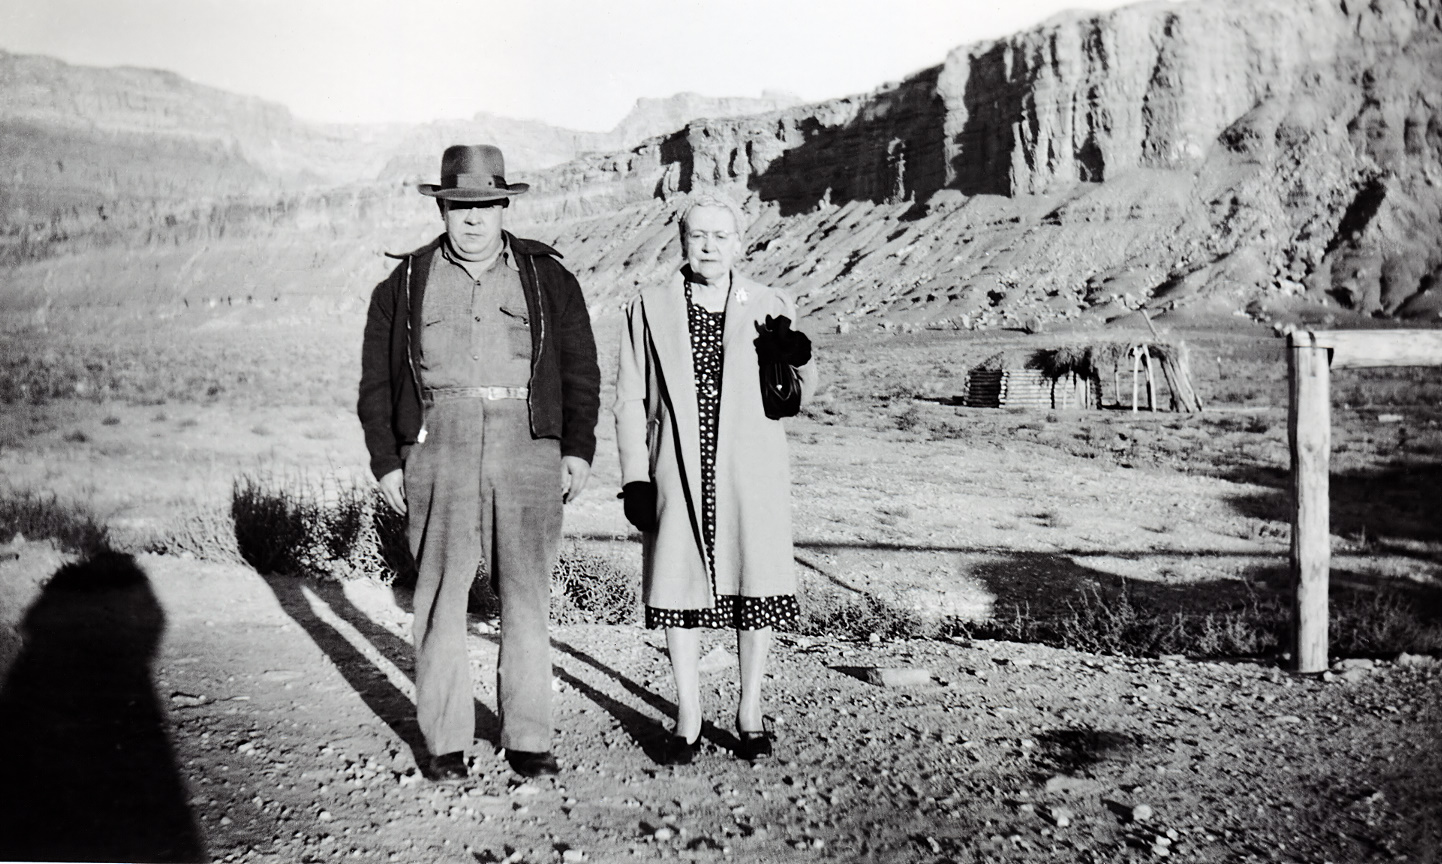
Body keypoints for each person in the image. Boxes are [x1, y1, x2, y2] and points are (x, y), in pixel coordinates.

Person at [358, 144, 600, 781]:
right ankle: (445, 741)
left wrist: (576, 449)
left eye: (485, 205)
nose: (472, 218)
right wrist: (387, 460)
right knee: (439, 596)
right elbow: (375, 385)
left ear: (504, 205)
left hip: (529, 442)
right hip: (440, 442)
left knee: (527, 594)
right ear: (441, 207)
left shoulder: (549, 279)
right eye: (459, 205)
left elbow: (582, 374)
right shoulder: (403, 284)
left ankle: (527, 737)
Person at [613, 191, 817, 764]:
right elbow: (629, 397)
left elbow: (798, 397)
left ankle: (749, 711)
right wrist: (635, 478)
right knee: (679, 589)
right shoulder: (648, 307)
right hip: (677, 466)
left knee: (755, 585)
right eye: (697, 235)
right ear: (682, 241)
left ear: (739, 242)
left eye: (720, 236)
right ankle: (688, 713)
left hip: (751, 472)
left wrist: (794, 358)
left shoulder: (772, 302)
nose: (708, 246)